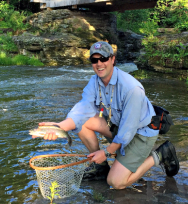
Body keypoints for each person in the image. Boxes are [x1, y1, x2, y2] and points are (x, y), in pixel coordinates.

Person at [32, 41, 179, 189]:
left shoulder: (131, 88)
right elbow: (83, 109)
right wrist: (59, 127)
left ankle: (160, 155)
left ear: (112, 59)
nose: (99, 63)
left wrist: (107, 152)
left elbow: (127, 132)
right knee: (82, 122)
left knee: (116, 182)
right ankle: (100, 168)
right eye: (94, 60)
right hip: (119, 127)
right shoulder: (94, 81)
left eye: (103, 58)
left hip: (141, 134)